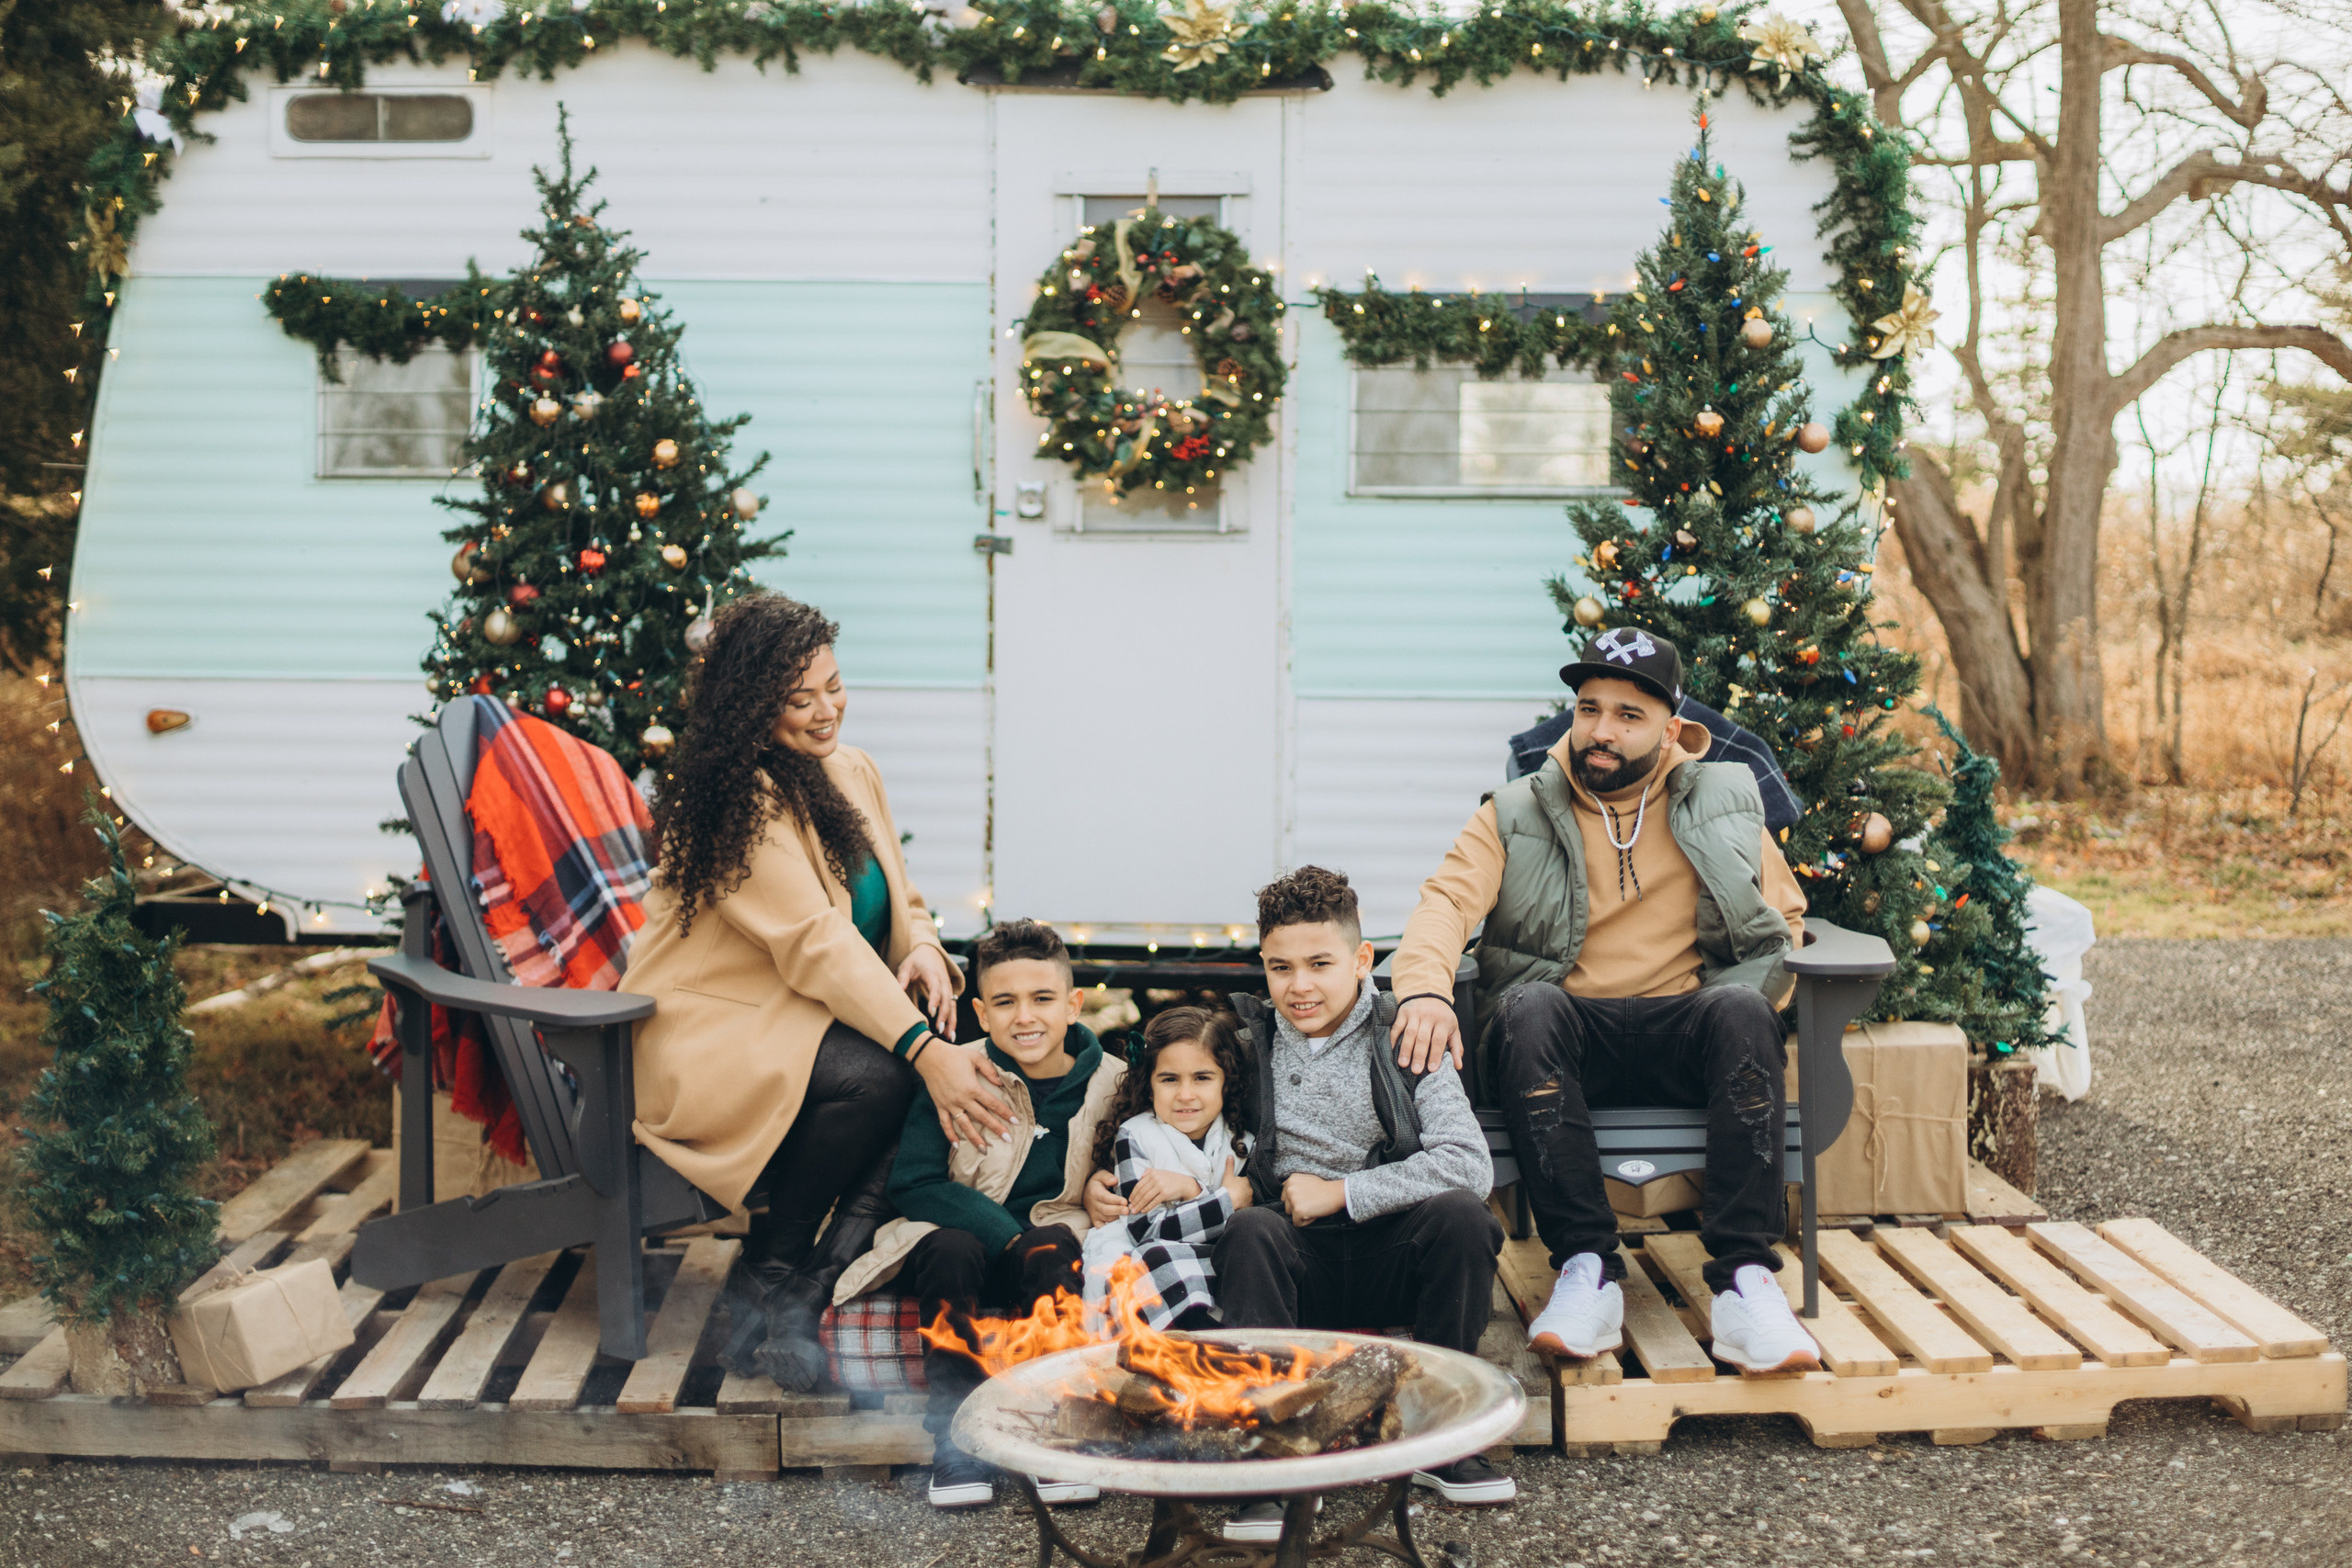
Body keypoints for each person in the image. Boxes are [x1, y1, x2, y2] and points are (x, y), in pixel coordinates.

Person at [1386, 626, 1818, 1376]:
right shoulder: (1514, 809)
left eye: (1628, 714)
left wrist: (1762, 983)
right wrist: (1424, 988)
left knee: (1743, 1012)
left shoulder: (1724, 801)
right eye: (1589, 709)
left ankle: (1746, 1284)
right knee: (1525, 1007)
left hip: (1686, 1028)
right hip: (1563, 1036)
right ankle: (1587, 1271)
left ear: (1673, 729)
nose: (1602, 731)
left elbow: (1783, 920)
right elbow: (1444, 903)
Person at [622, 594, 1016, 1394]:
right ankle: (769, 1273)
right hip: (710, 1034)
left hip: (803, 1018)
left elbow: (897, 896)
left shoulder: (850, 769)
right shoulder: (733, 804)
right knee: (891, 1075)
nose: (826, 709)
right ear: (748, 708)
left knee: (915, 1069)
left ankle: (805, 1290)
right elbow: (816, 941)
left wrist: (930, 955)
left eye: (833, 686)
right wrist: (922, 1047)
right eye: (799, 700)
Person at [1191, 866, 1515, 1532]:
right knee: (1250, 1230)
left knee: (1462, 1216)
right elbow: (1180, 1107)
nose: (1299, 985)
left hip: (1389, 1250)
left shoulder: (1407, 1034)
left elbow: (1468, 1163)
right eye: (1281, 967)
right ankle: (1269, 1459)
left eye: (1319, 963)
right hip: (1292, 1263)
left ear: (1362, 958)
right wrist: (1127, 1165)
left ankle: (1439, 1434)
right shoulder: (1251, 1044)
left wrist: (1342, 1193)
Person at [830, 919, 1126, 1510]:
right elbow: (914, 1180)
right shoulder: (954, 1070)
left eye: (1043, 999)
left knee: (1054, 1247)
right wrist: (1004, 1235)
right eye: (1005, 1002)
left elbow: (1131, 1162)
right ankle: (958, 1440)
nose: (1026, 1017)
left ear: (1074, 1005)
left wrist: (1103, 1185)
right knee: (950, 1246)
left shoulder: (1113, 1083)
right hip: (958, 1251)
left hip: (1051, 1252)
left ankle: (1056, 1433)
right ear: (982, 1014)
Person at [1078, 1006, 1255, 1331]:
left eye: (1202, 1078)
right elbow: (1146, 1230)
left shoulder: (1242, 1141)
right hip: (1145, 1258)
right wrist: (1221, 1200)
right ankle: (1182, 1349)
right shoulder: (1136, 1135)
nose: (1185, 1095)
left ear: (1225, 1083)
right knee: (1157, 1259)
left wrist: (1194, 1194)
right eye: (1169, 1079)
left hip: (1218, 1261)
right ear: (1149, 1085)